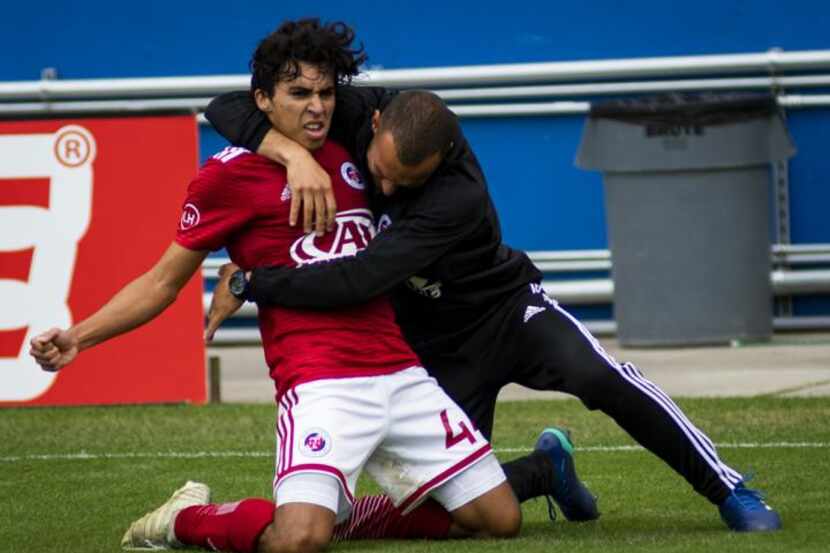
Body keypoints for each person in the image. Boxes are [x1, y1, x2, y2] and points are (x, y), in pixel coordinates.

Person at [204, 70, 783, 534]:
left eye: (403, 183)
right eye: (379, 173)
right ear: (374, 120)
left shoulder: (456, 197)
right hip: (433, 345)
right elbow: (227, 105)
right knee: (450, 520)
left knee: (603, 377)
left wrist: (254, 282)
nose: (383, 191)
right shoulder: (363, 108)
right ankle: (544, 470)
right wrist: (294, 155)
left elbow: (359, 278)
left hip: (507, 312)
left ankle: (730, 490)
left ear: (439, 159)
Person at [28, 19, 526, 553]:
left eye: (326, 92)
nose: (318, 107)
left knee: (499, 521)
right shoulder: (227, 177)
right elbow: (161, 282)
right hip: (318, 382)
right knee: (297, 542)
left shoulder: (359, 151)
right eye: (299, 93)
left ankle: (342, 516)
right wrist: (80, 336)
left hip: (401, 372)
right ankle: (185, 518)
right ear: (263, 100)